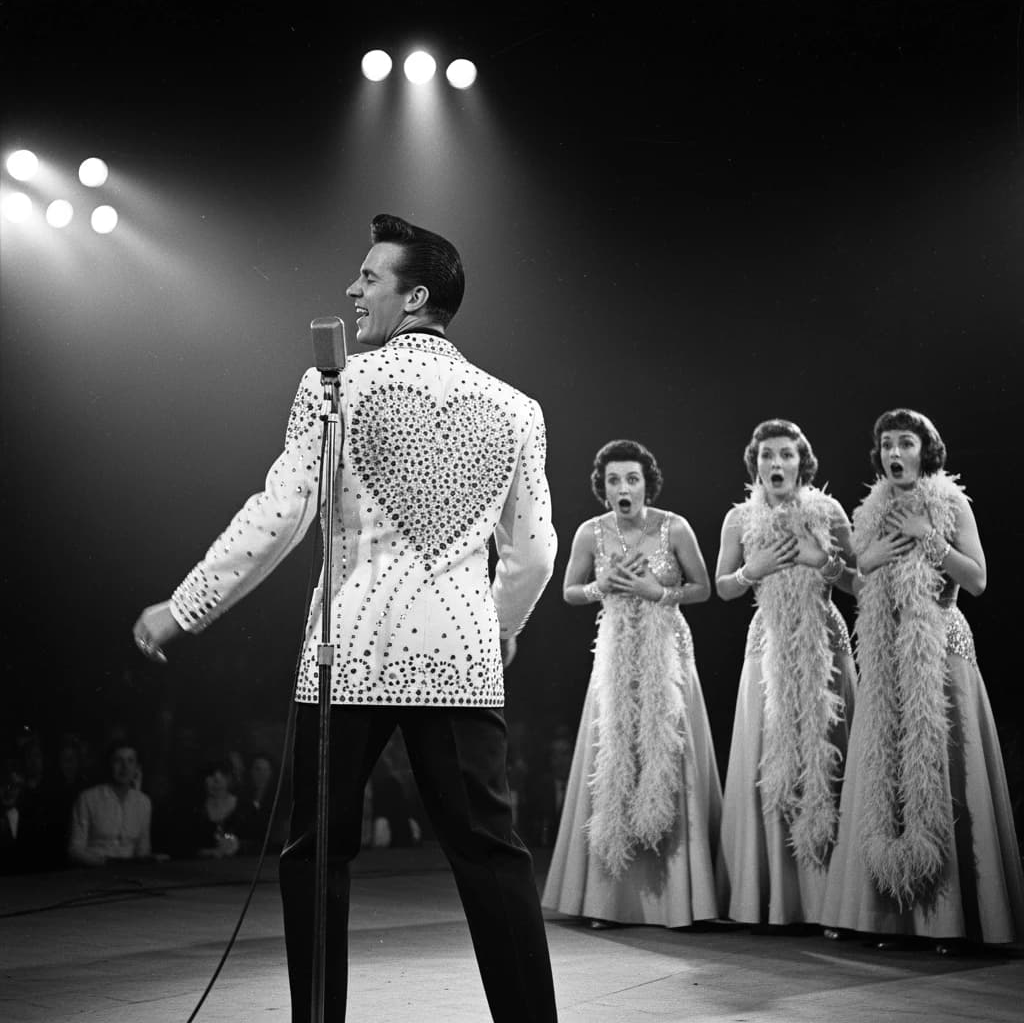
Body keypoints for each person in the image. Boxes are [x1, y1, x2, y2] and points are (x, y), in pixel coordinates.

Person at [132, 213, 558, 1022]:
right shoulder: (516, 407)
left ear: (415, 294)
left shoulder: (332, 385)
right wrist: (497, 625)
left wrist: (184, 607)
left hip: (352, 652)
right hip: (462, 662)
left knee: (318, 854)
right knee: (493, 857)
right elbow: (535, 552)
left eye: (369, 277)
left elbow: (280, 514)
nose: (352, 289)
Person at [820, 408, 1024, 951]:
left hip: (940, 650)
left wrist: (926, 537)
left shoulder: (950, 501)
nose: (894, 451)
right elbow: (867, 589)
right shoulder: (872, 509)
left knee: (942, 773)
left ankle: (951, 920)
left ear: (924, 451)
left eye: (904, 442)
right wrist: (854, 565)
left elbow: (977, 580)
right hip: (887, 658)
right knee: (887, 779)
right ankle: (891, 917)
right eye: (886, 442)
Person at [542, 439, 721, 928]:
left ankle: (680, 901)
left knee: (668, 755)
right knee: (616, 759)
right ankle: (610, 900)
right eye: (615, 480)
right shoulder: (590, 533)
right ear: (603, 488)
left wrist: (656, 591)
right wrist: (604, 587)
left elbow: (703, 588)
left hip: (669, 655)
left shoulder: (674, 527)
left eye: (633, 479)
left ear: (647, 483)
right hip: (617, 657)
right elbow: (569, 591)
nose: (624, 488)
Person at [713, 419, 857, 929]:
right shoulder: (738, 519)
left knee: (831, 760)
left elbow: (864, 584)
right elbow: (723, 587)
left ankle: (833, 903)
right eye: (768, 455)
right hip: (767, 644)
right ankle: (769, 899)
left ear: (803, 462)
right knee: (767, 761)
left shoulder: (830, 511)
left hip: (825, 643)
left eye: (787, 455)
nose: (777, 464)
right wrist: (755, 569)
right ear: (756, 463)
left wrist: (827, 564)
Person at [68, 740, 152, 867]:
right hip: (94, 874)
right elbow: (75, 850)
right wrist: (106, 862)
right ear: (109, 765)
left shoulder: (144, 802)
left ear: (137, 768)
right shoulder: (88, 798)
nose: (125, 767)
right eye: (118, 760)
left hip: (131, 877)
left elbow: (143, 849)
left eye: (130, 761)